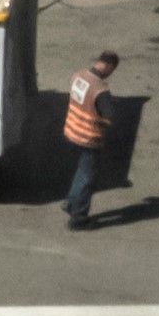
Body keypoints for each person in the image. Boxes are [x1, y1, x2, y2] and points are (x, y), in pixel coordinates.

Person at [59, 50, 119, 228]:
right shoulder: (101, 90)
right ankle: (78, 219)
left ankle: (70, 202)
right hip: (89, 137)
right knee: (87, 177)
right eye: (112, 70)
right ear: (109, 66)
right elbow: (110, 118)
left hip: (72, 130)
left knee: (81, 171)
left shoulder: (78, 75)